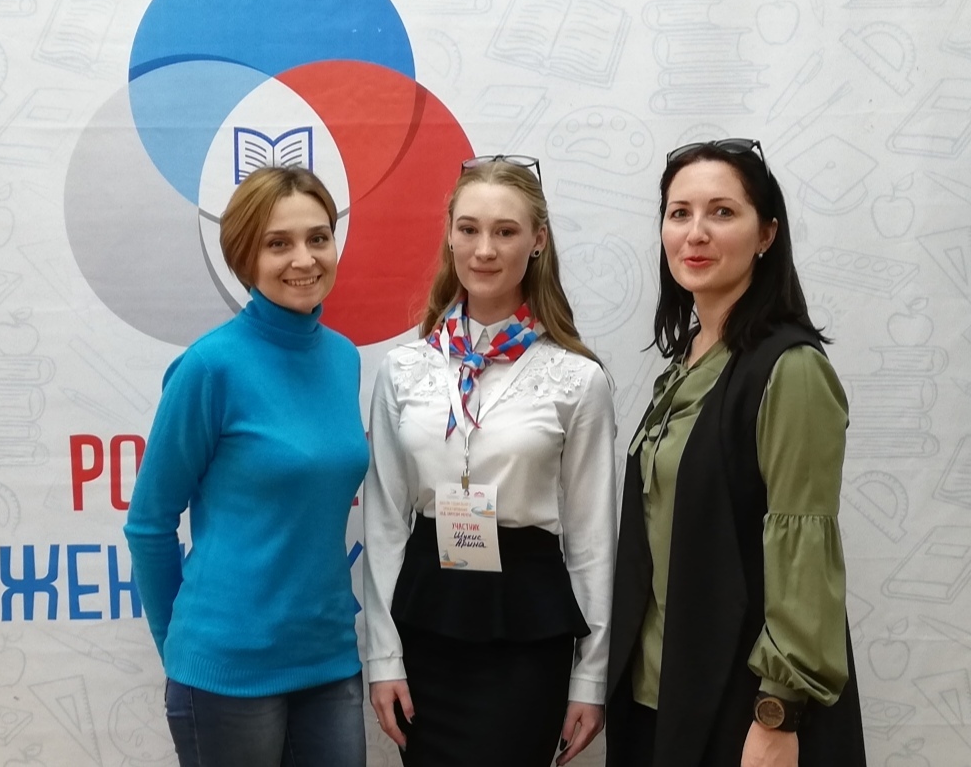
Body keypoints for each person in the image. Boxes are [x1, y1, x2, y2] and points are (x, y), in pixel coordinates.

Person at [605, 139, 866, 767]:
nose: (695, 233)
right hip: (660, 695)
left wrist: (779, 711)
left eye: (722, 212)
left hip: (745, 708)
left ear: (766, 234)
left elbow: (804, 550)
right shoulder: (687, 362)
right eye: (679, 213)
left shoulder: (790, 369)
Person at [362, 155, 618, 767]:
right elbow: (386, 523)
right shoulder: (404, 370)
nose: (484, 249)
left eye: (505, 231)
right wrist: (383, 657)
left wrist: (590, 677)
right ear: (449, 234)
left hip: (526, 630)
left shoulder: (577, 379)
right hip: (427, 624)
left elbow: (592, 540)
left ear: (538, 241)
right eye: (469, 228)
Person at [124, 166, 368, 767]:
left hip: (329, 658)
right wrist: (181, 652)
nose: (304, 259)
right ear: (244, 256)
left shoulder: (343, 359)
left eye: (318, 238)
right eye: (278, 243)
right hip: (226, 671)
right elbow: (149, 523)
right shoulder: (210, 367)